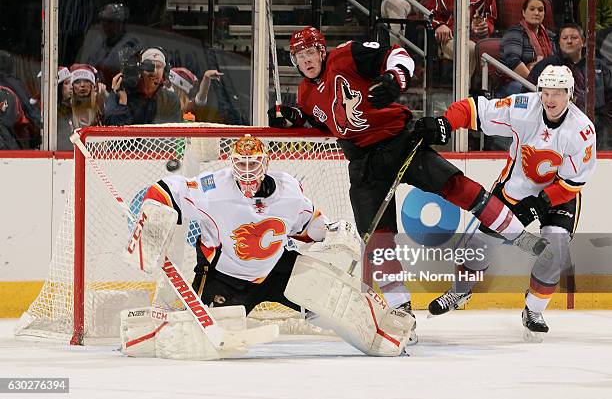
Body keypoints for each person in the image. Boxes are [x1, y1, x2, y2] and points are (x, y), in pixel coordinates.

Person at [267, 26, 548, 329]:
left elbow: (400, 56)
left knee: (459, 187)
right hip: (364, 164)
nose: (306, 59)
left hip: (400, 141)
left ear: (322, 51)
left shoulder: (349, 55)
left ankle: (520, 236)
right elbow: (328, 122)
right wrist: (296, 117)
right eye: (300, 55)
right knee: (378, 242)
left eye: (311, 52)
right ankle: (403, 315)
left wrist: (393, 78)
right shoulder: (305, 93)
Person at [120, 135, 415, 360]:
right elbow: (165, 189)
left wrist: (333, 232)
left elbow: (310, 227)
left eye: (253, 164)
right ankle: (144, 334)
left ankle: (385, 333)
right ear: (231, 163)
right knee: (199, 338)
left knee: (335, 306)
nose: (247, 171)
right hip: (224, 278)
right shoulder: (213, 189)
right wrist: (151, 217)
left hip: (278, 268)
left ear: (265, 163)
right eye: (241, 164)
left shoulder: (289, 192)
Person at [427, 65, 596, 340]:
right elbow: (473, 109)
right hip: (515, 189)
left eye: (558, 93)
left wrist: (541, 204)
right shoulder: (522, 108)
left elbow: (572, 184)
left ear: (570, 95)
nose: (550, 99)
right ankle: (460, 291)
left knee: (556, 248)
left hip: (558, 195)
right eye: (546, 92)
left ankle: (533, 309)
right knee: (481, 245)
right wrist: (447, 122)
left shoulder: (582, 131)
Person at [525, 23, 612, 150]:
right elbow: (529, 94)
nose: (569, 41)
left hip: (596, 123)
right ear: (559, 43)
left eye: (574, 38)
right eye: (565, 38)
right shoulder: (547, 66)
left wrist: (603, 117)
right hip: (557, 122)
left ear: (583, 42)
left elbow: (610, 95)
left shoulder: (597, 65)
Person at [104, 47, 181, 125]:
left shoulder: (169, 99)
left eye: (158, 66)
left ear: (164, 71)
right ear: (140, 69)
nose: (154, 72)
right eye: (149, 66)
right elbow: (112, 129)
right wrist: (122, 101)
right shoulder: (120, 92)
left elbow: (173, 132)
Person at [430, 0, 497, 77]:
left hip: (477, 38)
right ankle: (465, 89)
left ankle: (489, 88)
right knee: (470, 49)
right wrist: (439, 25)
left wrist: (485, 26)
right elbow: (429, 13)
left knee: (498, 48)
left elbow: (489, 17)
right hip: (450, 37)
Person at [499, 0, 556, 97]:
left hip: (545, 82)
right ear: (524, 13)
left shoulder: (550, 36)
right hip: (516, 82)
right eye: (532, 9)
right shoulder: (515, 32)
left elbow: (557, 61)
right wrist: (535, 84)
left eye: (540, 10)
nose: (536, 13)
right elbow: (513, 61)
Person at [77, 3, 143, 88]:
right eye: (105, 22)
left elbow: (127, 76)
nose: (108, 26)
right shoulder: (99, 40)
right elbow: (89, 66)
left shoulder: (132, 43)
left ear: (122, 23)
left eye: (112, 22)